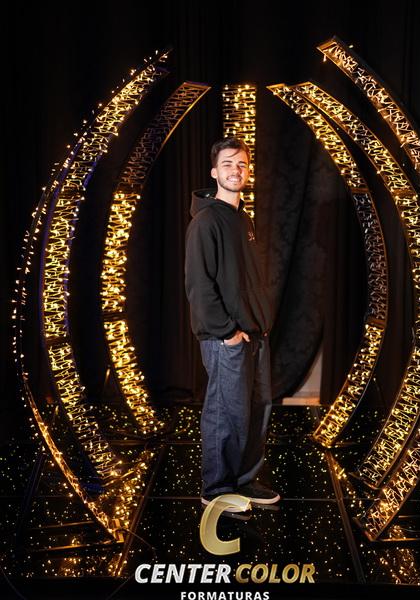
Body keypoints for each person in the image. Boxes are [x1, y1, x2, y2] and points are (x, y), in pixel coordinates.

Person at [184, 136, 280, 512]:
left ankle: (243, 479)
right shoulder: (206, 221)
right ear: (214, 172)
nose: (235, 170)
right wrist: (228, 333)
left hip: (255, 333)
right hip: (226, 337)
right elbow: (199, 285)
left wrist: (258, 324)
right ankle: (216, 487)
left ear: (248, 171)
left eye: (241, 164)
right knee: (225, 412)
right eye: (227, 164)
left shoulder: (243, 219)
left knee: (256, 409)